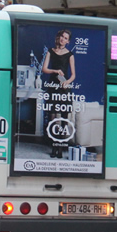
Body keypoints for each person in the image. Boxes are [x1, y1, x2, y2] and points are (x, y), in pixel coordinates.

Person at [41, 29, 76, 158]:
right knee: (52, 116)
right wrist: (55, 71)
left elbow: (73, 75)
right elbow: (44, 69)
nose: (63, 39)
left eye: (65, 38)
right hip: (53, 86)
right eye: (62, 36)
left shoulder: (70, 55)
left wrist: (67, 82)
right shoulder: (50, 51)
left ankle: (61, 147)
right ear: (59, 38)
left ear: (68, 41)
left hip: (64, 87)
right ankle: (54, 146)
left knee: (64, 117)